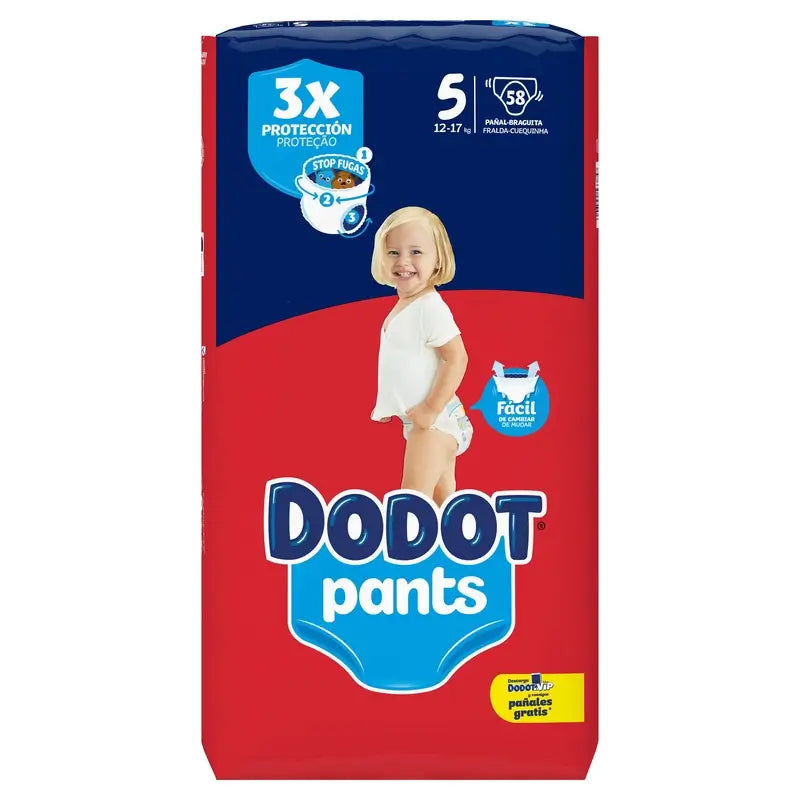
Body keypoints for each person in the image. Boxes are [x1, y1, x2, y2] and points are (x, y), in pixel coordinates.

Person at [370, 207, 473, 505]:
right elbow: (404, 362)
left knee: (413, 503)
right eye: (393, 252)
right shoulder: (406, 305)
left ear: (438, 259)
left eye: (416, 252)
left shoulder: (429, 307)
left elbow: (457, 358)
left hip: (435, 421)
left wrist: (430, 407)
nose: (403, 261)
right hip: (430, 421)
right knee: (442, 503)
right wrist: (388, 406)